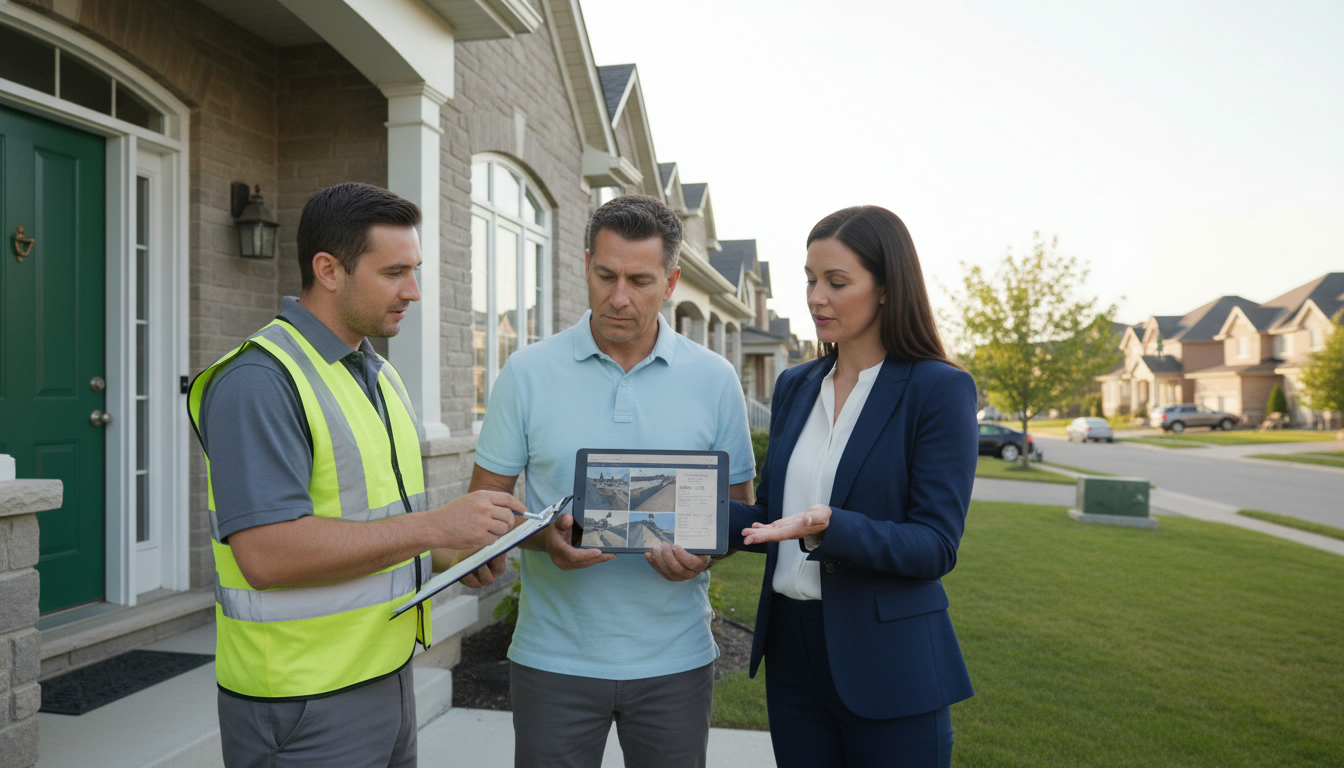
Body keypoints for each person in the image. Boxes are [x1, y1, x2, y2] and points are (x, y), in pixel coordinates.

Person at [188, 183, 527, 768]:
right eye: (395, 271)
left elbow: (374, 527)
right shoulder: (259, 382)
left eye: (414, 270)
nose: (413, 292)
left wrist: (454, 554)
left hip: (385, 678)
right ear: (328, 269)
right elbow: (267, 555)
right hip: (299, 705)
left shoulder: (376, 374)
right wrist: (435, 528)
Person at [467, 194, 756, 768]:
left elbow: (736, 514)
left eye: (640, 280)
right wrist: (542, 538)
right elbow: (485, 510)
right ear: (585, 265)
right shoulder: (526, 373)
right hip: (554, 660)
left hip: (675, 661)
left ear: (671, 281)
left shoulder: (715, 379)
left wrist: (703, 554)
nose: (619, 297)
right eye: (605, 275)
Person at [728, 206, 976, 767]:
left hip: (891, 664)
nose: (816, 297)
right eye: (811, 280)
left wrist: (831, 527)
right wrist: (662, 512)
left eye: (837, 282)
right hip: (792, 654)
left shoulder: (939, 389)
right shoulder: (795, 385)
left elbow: (936, 544)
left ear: (887, 288)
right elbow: (770, 513)